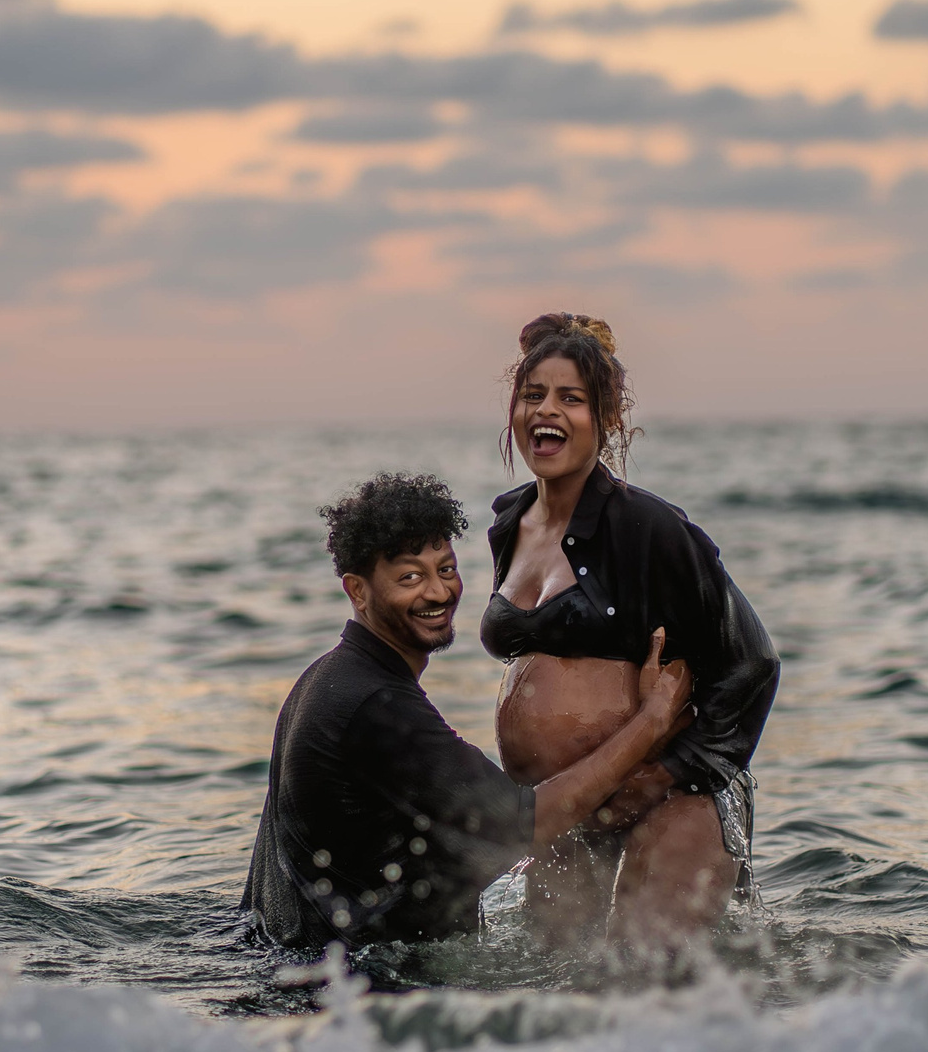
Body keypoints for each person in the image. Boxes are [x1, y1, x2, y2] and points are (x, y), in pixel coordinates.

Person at [243, 472, 692, 954]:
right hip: (356, 994)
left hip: (287, 963)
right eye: (410, 578)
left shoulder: (324, 679)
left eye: (447, 569)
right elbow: (529, 823)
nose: (438, 593)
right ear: (358, 591)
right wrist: (652, 720)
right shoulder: (376, 706)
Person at [484, 313, 780, 950]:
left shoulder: (648, 527)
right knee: (555, 996)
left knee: (649, 990)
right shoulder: (509, 525)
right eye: (533, 395)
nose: (547, 411)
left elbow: (752, 664)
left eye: (571, 398)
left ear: (607, 418)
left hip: (671, 801)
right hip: (569, 815)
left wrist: (664, 770)